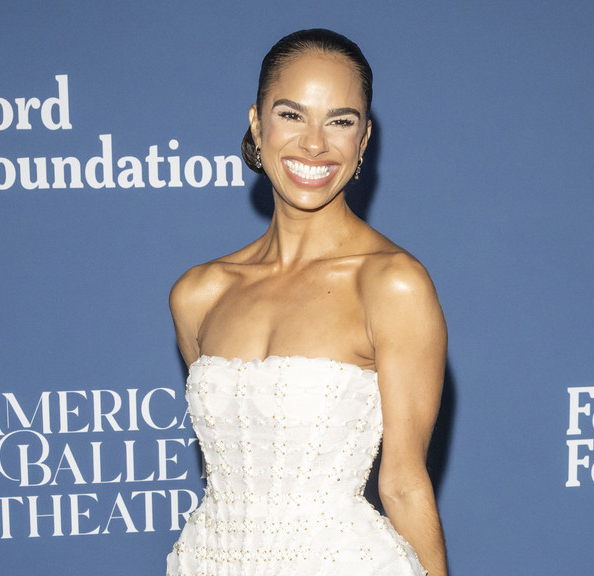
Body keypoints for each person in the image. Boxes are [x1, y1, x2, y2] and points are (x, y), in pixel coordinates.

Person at [167, 28, 448, 576]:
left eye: (340, 121)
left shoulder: (391, 284)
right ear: (257, 123)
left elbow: (403, 482)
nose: (314, 143)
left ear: (363, 141)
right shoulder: (200, 293)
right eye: (292, 115)